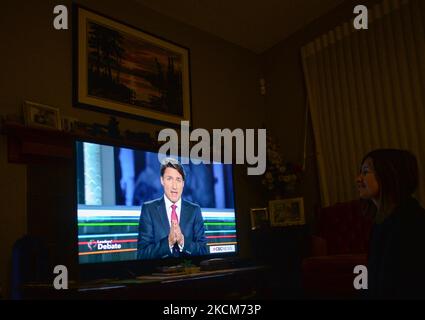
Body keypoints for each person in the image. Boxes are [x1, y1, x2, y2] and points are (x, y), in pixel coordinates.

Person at [356, 149, 425, 299]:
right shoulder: (381, 222)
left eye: (366, 172)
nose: (358, 179)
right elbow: (370, 276)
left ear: (389, 174)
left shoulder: (411, 221)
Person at [137, 157, 208, 260]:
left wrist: (183, 241)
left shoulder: (194, 210)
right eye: (169, 179)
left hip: (189, 273)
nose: (174, 186)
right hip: (160, 274)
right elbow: (142, 254)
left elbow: (203, 251)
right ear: (162, 180)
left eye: (178, 180)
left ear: (183, 183)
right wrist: (168, 242)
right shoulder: (149, 209)